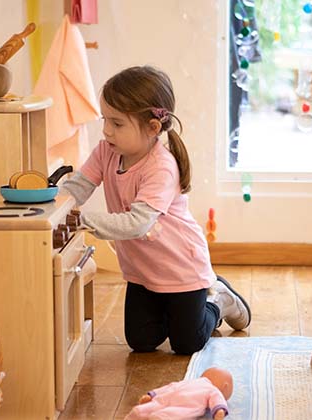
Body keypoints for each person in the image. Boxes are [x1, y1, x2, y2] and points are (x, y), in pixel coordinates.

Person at [60, 65, 251, 355]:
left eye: (117, 123)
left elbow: (138, 223)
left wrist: (79, 221)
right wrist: (52, 206)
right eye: (105, 120)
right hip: (143, 270)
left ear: (152, 128)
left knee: (187, 343)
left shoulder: (161, 166)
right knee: (141, 341)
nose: (106, 130)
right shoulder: (105, 151)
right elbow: (79, 187)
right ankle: (172, 309)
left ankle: (219, 299)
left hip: (181, 268)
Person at [125, 367, 233, 420]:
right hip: (174, 403)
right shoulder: (212, 389)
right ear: (225, 386)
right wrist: (219, 410)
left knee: (151, 412)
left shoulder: (195, 383)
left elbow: (171, 386)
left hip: (172, 401)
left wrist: (153, 394)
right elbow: (218, 401)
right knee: (163, 414)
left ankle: (138, 414)